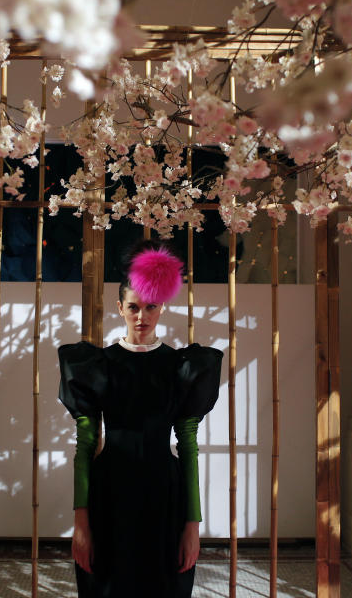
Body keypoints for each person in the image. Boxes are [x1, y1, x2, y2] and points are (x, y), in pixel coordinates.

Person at [58, 240, 224, 598]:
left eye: (150, 307)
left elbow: (189, 447)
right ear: (120, 308)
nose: (141, 316)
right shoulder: (95, 366)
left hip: (165, 498)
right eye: (133, 307)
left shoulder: (182, 368)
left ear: (161, 307)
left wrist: (192, 525)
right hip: (109, 497)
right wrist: (80, 522)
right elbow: (85, 445)